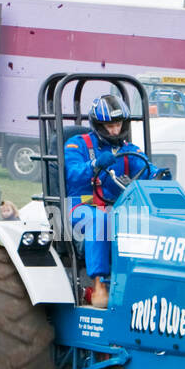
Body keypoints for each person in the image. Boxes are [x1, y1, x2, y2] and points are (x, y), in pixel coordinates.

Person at [65, 93, 162, 309]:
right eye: (109, 126)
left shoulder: (128, 149)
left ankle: (143, 283)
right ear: (98, 125)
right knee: (99, 220)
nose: (114, 130)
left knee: (146, 222)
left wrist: (158, 175)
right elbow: (71, 174)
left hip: (117, 208)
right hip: (81, 207)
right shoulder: (78, 144)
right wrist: (94, 165)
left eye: (118, 124)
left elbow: (145, 168)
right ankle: (99, 285)